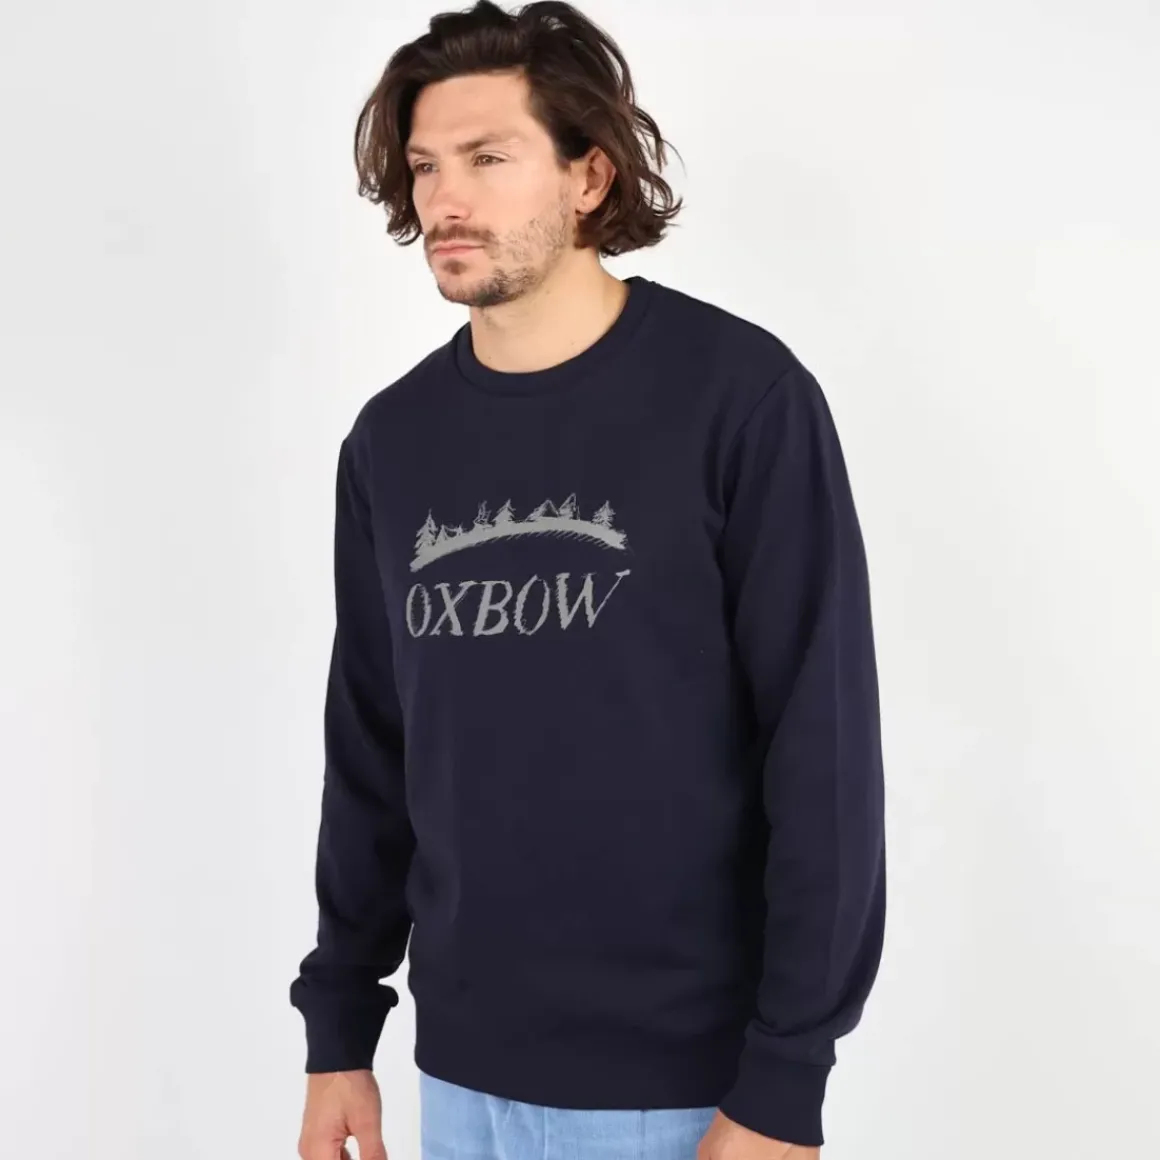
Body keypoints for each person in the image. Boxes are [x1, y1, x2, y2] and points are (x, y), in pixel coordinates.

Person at [289, 3, 886, 1158]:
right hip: (457, 1081)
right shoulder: (391, 443)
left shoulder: (738, 399)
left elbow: (820, 753)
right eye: (425, 165)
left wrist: (784, 1079)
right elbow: (370, 752)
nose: (443, 199)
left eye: (487, 158)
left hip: (682, 1091)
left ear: (587, 175)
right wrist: (338, 1032)